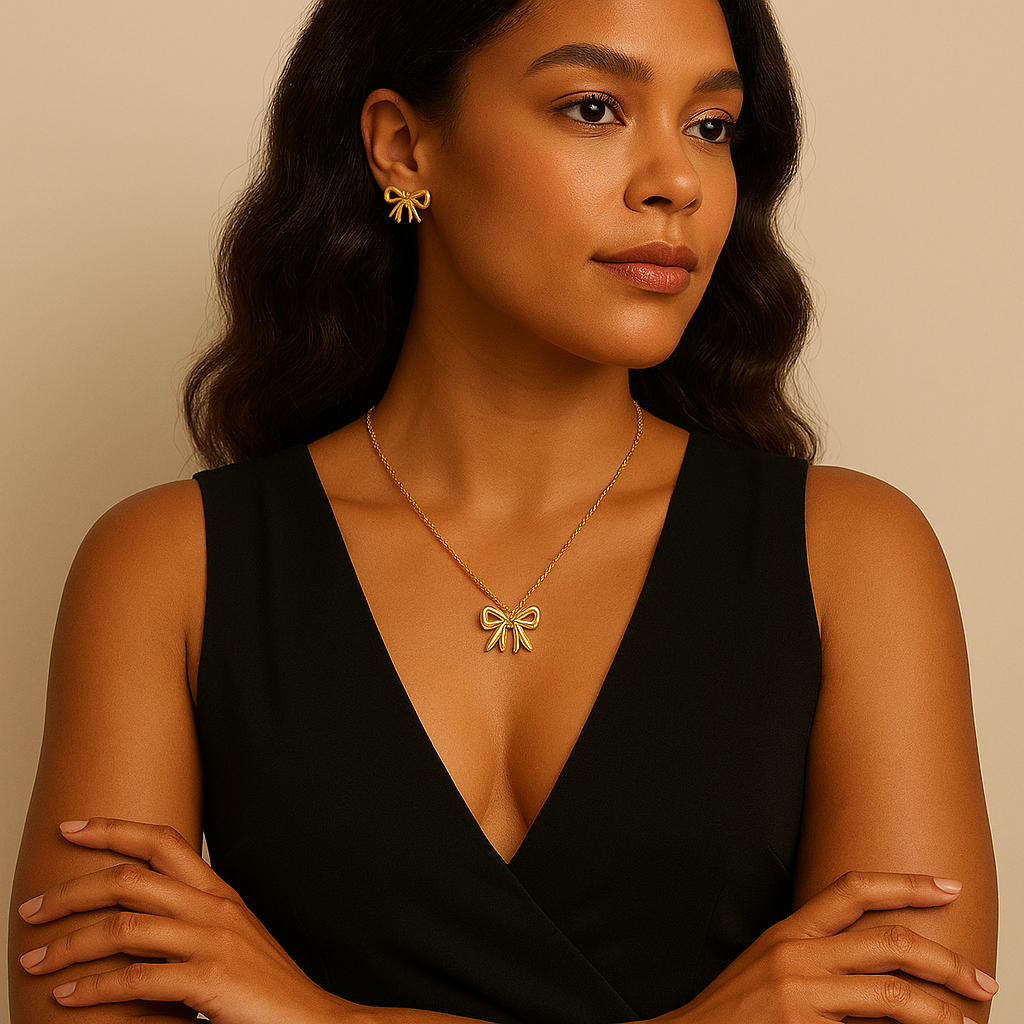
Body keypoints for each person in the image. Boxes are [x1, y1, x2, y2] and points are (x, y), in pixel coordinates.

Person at [8, 0, 998, 1021]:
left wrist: (320, 1016)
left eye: (711, 125)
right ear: (403, 147)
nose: (678, 180)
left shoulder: (851, 557)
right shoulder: (168, 565)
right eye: (592, 107)